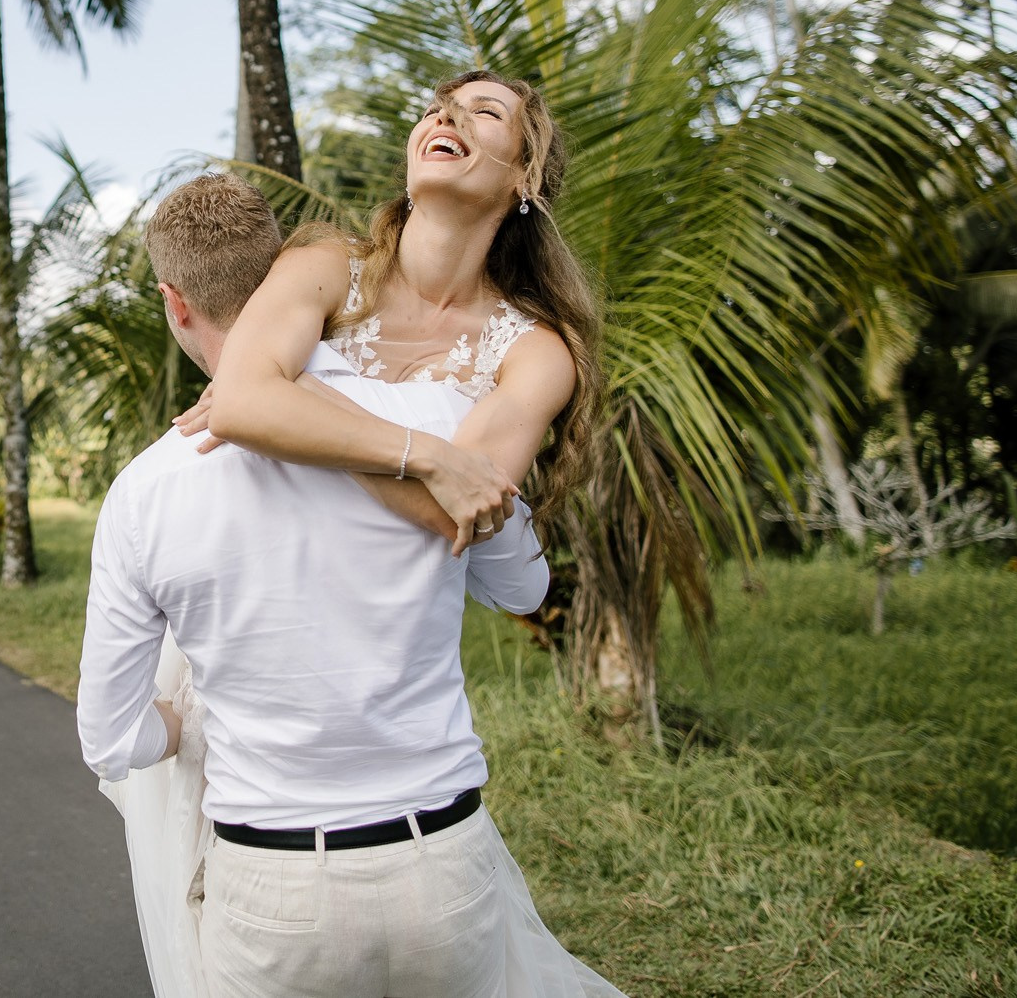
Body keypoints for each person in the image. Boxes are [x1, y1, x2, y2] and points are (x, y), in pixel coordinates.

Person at [77, 74, 618, 998]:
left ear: (525, 175)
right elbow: (253, 408)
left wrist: (294, 395)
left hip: (382, 862)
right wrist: (428, 453)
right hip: (389, 863)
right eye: (438, 105)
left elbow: (457, 508)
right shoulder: (329, 264)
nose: (446, 115)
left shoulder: (533, 349)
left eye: (485, 112)